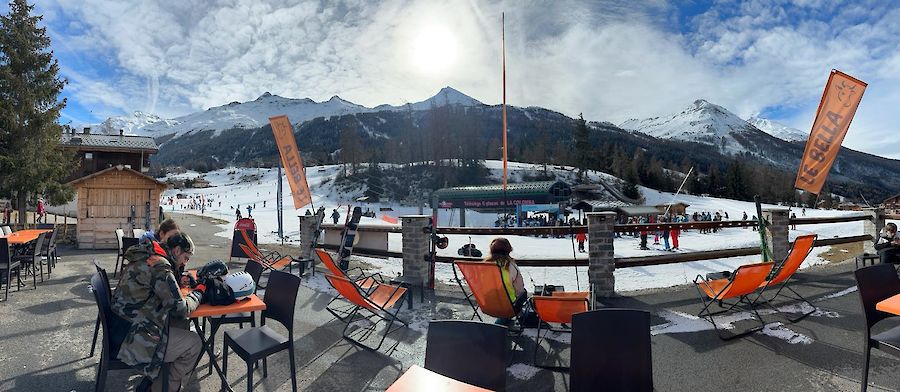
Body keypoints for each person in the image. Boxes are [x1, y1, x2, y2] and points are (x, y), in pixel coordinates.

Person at [111, 233, 203, 392]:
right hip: (131, 339)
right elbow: (181, 309)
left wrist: (176, 281)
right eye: (186, 258)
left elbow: (155, 288)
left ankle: (155, 380)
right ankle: (160, 388)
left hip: (122, 325)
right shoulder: (160, 266)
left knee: (181, 325)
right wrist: (199, 293)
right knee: (194, 343)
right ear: (177, 251)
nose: (185, 263)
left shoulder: (149, 255)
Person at [485, 238, 527, 326]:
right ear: (508, 250)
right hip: (507, 304)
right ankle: (499, 325)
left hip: (487, 303)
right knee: (523, 294)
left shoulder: (485, 265)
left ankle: (504, 321)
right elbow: (520, 289)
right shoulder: (511, 266)